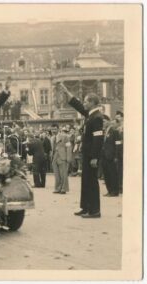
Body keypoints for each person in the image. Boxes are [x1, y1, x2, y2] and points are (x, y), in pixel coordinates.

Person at [62, 83, 104, 218]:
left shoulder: (97, 117)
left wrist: (94, 157)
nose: (84, 103)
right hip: (86, 154)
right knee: (85, 181)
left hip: (91, 155)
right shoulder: (91, 115)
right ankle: (85, 207)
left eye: (86, 101)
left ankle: (95, 210)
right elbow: (79, 106)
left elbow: (98, 140)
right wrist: (68, 93)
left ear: (92, 103)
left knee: (91, 182)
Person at [101, 115, 121, 197]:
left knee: (112, 174)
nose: (103, 123)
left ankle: (114, 191)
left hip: (111, 156)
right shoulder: (103, 132)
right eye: (102, 122)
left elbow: (118, 145)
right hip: (104, 156)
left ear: (108, 121)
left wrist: (116, 156)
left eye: (104, 121)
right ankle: (109, 190)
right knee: (106, 174)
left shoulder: (114, 131)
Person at [51, 124, 72, 194]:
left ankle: (64, 188)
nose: (53, 131)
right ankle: (57, 188)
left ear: (58, 129)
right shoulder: (52, 138)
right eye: (52, 129)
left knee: (63, 173)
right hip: (55, 157)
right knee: (56, 174)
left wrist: (68, 158)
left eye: (55, 129)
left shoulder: (65, 136)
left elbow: (69, 147)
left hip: (62, 156)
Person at [115, 111, 124, 194]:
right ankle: (120, 186)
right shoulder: (118, 127)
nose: (117, 118)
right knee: (119, 169)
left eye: (118, 117)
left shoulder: (124, 126)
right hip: (119, 150)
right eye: (116, 117)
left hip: (123, 150)